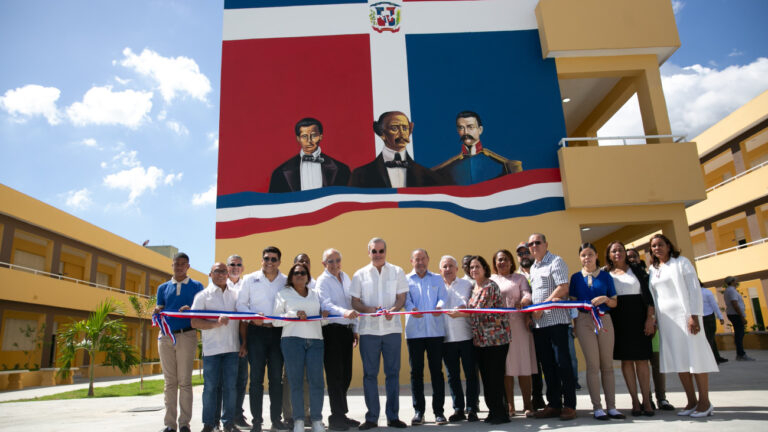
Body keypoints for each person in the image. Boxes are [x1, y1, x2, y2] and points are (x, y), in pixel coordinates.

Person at [647, 234, 718, 418]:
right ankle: (691, 401)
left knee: (695, 358)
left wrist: (693, 315)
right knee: (680, 361)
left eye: (660, 244)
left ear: (669, 246)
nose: (657, 248)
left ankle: (705, 402)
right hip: (667, 322)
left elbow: (694, 289)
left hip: (686, 318)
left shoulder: (682, 262)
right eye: (653, 246)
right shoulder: (654, 269)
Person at [349, 238, 410, 429]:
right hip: (368, 331)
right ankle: (372, 417)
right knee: (370, 375)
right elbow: (355, 302)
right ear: (368, 252)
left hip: (391, 331)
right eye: (374, 251)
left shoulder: (397, 271)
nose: (377, 255)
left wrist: (393, 309)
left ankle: (393, 416)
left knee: (392, 374)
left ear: (386, 251)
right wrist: (368, 309)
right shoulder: (359, 274)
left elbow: (402, 298)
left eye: (381, 251)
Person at [451, 256, 510, 424]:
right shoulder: (475, 287)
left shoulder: (490, 286)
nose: (474, 270)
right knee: (486, 377)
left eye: (477, 266)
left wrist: (460, 314)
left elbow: (480, 310)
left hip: (495, 339)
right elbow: (472, 308)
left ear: (484, 268)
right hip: (480, 340)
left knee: (495, 377)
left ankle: (501, 413)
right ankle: (493, 410)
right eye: (471, 267)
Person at [236, 247, 290, 432]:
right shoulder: (250, 279)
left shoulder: (286, 281)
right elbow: (240, 304)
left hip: (277, 334)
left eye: (274, 259)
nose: (270, 262)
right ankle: (257, 421)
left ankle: (276, 419)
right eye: (266, 258)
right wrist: (251, 315)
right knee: (257, 379)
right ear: (261, 260)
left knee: (276, 379)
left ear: (279, 262)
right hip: (256, 333)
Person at [272, 263, 329, 432]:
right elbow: (275, 321)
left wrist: (324, 317)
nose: (300, 275)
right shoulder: (283, 294)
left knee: (317, 382)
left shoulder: (315, 294)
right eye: (296, 273)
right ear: (291, 276)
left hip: (315, 340)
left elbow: (322, 321)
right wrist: (293, 315)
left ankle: (317, 420)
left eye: (303, 273)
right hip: (292, 341)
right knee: (295, 382)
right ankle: (298, 420)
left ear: (308, 276)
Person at [569, 243, 622, 421]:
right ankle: (597, 407)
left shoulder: (606, 276)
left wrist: (605, 299)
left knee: (607, 365)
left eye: (590, 254)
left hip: (604, 319)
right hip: (584, 321)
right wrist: (575, 325)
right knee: (593, 365)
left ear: (596, 255)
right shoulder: (576, 278)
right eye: (583, 255)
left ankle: (612, 407)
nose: (587, 258)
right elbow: (573, 304)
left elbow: (614, 302)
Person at [527, 233, 577, 421]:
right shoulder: (533, 267)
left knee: (563, 364)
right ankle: (554, 404)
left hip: (556, 322)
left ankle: (570, 405)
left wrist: (542, 306)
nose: (533, 246)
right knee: (547, 365)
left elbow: (563, 287)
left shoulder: (556, 261)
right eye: (530, 244)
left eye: (537, 242)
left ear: (546, 244)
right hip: (540, 324)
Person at [155, 252, 205, 432]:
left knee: (185, 381)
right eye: (176, 264)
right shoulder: (163, 288)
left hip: (187, 336)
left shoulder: (197, 286)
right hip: (166, 336)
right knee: (169, 382)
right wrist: (156, 310)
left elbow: (202, 311)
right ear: (172, 265)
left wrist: (191, 310)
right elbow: (160, 308)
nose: (179, 267)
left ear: (188, 266)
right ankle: (170, 424)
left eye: (183, 264)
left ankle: (184, 423)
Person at [605, 241, 655, 417]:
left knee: (642, 360)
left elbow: (649, 297)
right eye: (614, 251)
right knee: (626, 361)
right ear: (609, 255)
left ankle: (647, 401)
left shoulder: (638, 270)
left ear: (625, 252)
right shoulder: (606, 273)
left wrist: (650, 319)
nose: (617, 253)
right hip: (619, 320)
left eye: (620, 250)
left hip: (640, 318)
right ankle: (634, 401)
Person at [191, 263, 242, 432]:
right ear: (210, 274)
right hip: (212, 350)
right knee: (211, 388)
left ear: (228, 274)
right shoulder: (202, 296)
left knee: (230, 387)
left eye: (224, 271)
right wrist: (216, 324)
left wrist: (244, 343)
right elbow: (194, 322)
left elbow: (243, 318)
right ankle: (209, 423)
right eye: (217, 271)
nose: (221, 274)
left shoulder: (236, 295)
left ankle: (228, 422)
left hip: (232, 348)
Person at [317, 248, 362, 431]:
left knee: (346, 374)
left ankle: (340, 414)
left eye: (337, 260)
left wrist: (355, 329)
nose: (335, 264)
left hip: (346, 331)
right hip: (331, 331)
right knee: (335, 376)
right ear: (324, 264)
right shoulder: (322, 281)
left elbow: (351, 302)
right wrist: (344, 313)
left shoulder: (345, 277)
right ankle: (336, 418)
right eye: (330, 261)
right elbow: (326, 304)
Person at [489, 249, 536, 418]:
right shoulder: (491, 280)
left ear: (511, 262)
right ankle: (510, 405)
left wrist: (523, 301)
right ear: (494, 263)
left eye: (505, 259)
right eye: (499, 260)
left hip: (519, 327)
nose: (502, 262)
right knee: (506, 368)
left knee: (524, 366)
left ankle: (528, 404)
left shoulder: (520, 278)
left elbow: (527, 294)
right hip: (499, 329)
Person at [349, 111, 448, 188]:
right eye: (395, 128)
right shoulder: (360, 175)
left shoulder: (428, 176)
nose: (402, 134)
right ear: (382, 133)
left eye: (405, 128)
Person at [405, 249, 448, 425]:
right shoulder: (406, 280)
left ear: (428, 260)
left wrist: (440, 306)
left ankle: (439, 412)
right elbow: (405, 300)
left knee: (437, 372)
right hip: (415, 332)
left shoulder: (437, 278)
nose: (420, 262)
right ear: (412, 261)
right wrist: (410, 308)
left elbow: (443, 298)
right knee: (416, 372)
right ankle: (418, 412)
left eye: (423, 258)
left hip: (435, 332)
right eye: (417, 259)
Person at [438, 255, 479, 422]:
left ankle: (472, 408)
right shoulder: (437, 286)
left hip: (466, 336)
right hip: (446, 338)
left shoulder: (467, 284)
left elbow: (469, 303)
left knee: (471, 374)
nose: (448, 269)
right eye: (444, 267)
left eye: (450, 266)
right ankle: (458, 409)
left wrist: (462, 308)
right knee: (452, 376)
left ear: (457, 269)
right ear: (440, 270)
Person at [432, 111, 522, 185]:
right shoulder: (445, 169)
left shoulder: (505, 166)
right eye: (461, 128)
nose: (465, 132)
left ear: (480, 130)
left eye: (470, 127)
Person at [269, 117, 351, 193]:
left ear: (320, 136)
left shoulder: (342, 169)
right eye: (304, 136)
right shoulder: (280, 173)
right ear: (298, 138)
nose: (309, 141)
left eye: (314, 135)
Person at [282, 254, 315, 427]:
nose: (303, 266)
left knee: (308, 379)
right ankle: (289, 414)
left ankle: (306, 413)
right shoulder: (287, 287)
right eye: (299, 263)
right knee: (290, 378)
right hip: (292, 338)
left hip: (312, 338)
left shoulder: (315, 285)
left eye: (306, 263)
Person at [515, 242, 545, 411]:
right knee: (532, 364)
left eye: (527, 252)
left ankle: (551, 398)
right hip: (526, 325)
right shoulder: (516, 276)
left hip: (545, 322)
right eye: (520, 253)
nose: (524, 255)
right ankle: (536, 397)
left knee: (546, 362)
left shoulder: (540, 271)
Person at [226, 255, 251, 429]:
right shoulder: (219, 284)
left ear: (243, 268)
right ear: (227, 267)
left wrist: (245, 342)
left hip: (243, 339)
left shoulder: (247, 285)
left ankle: (237, 415)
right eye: (232, 264)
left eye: (239, 265)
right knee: (226, 382)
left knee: (241, 379)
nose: (235, 267)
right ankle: (226, 416)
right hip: (224, 340)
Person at [724, 276, 754, 361]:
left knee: (739, 334)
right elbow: (735, 304)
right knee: (739, 334)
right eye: (736, 280)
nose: (737, 282)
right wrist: (741, 317)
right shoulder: (731, 291)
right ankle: (741, 354)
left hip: (733, 314)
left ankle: (740, 354)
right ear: (732, 281)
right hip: (735, 314)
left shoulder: (729, 290)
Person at [701, 282, 728, 364]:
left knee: (709, 338)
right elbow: (714, 305)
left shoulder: (691, 293)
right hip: (709, 317)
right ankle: (713, 359)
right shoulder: (706, 292)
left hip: (700, 318)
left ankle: (716, 357)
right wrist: (720, 317)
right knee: (710, 338)